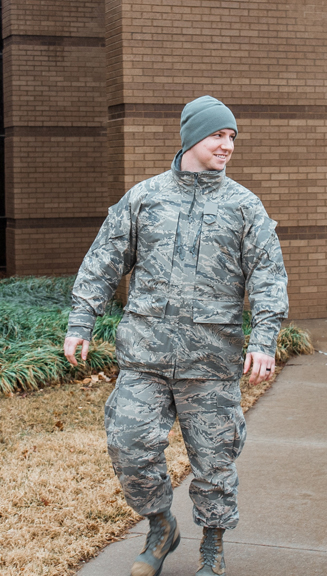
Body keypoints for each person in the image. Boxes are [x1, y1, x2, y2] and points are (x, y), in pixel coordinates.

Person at [64, 95, 289, 576]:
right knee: (128, 444)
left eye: (232, 137)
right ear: (191, 137)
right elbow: (103, 262)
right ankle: (161, 524)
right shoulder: (145, 198)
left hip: (210, 363)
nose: (227, 145)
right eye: (217, 135)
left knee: (214, 463)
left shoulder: (244, 206)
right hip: (144, 357)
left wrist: (264, 339)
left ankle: (213, 546)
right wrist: (81, 321)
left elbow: (269, 277)